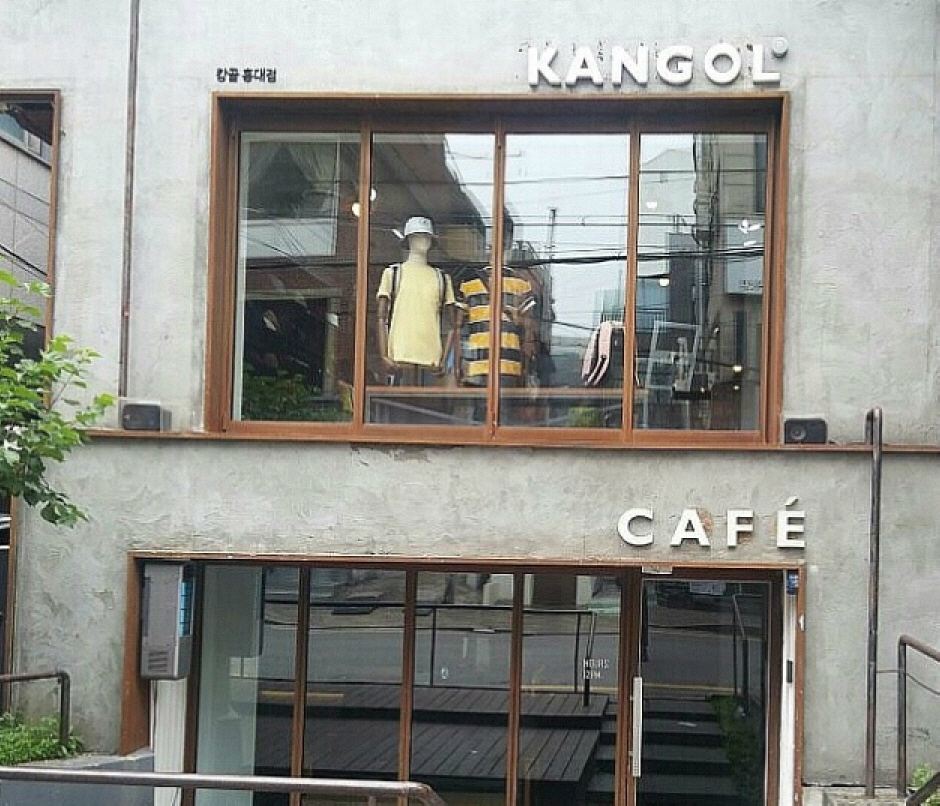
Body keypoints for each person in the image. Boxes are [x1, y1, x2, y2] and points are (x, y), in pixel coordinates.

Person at [376, 216, 457, 386]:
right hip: (399, 356)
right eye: (419, 235)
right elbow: (381, 317)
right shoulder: (393, 273)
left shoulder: (442, 278)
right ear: (409, 240)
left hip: (431, 360)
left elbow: (452, 325)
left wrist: (443, 360)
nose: (424, 240)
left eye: (427, 236)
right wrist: (384, 355)